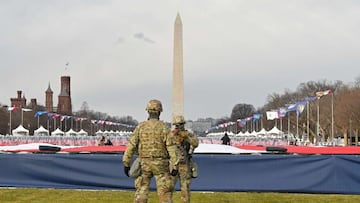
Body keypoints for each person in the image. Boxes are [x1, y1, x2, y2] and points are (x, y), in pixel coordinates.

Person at [122, 99, 180, 203]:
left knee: (141, 191)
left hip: (144, 163)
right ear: (160, 112)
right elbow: (172, 148)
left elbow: (131, 145)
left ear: (148, 111)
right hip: (161, 164)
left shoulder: (141, 127)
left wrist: (126, 163)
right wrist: (175, 165)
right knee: (165, 193)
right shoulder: (164, 128)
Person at [171, 115, 199, 203]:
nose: (177, 127)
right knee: (168, 187)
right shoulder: (171, 135)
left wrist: (186, 137)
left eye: (179, 124)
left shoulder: (189, 134)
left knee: (185, 189)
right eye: (176, 125)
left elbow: (195, 143)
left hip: (185, 164)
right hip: (173, 164)